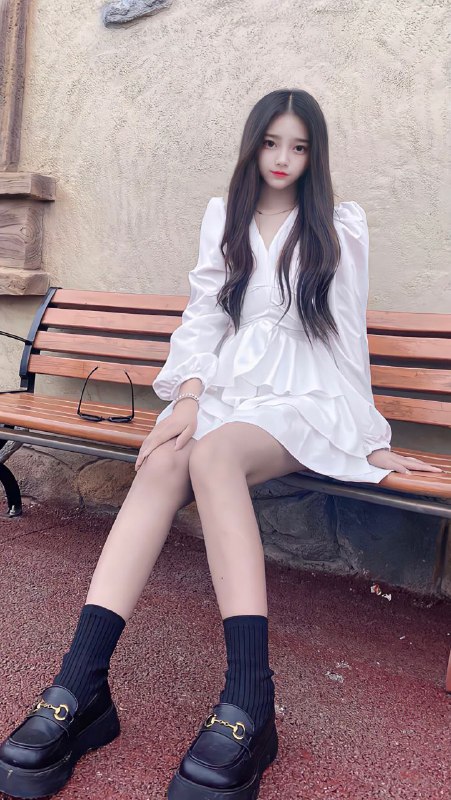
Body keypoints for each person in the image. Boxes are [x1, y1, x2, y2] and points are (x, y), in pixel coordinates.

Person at [0, 88, 442, 800]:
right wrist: (188, 398)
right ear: (252, 144)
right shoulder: (225, 218)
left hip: (305, 400)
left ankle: (249, 700)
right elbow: (204, 317)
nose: (283, 158)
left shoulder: (337, 224)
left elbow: (345, 335)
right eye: (271, 142)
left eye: (299, 146)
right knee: (162, 458)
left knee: (211, 455)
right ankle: (79, 687)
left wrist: (371, 438)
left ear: (315, 154)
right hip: (228, 393)